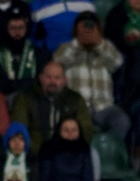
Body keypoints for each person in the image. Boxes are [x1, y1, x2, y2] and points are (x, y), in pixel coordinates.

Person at [54, 11, 129, 140]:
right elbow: (57, 63)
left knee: (122, 121)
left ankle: (107, 154)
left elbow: (117, 62)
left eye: (91, 26)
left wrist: (99, 43)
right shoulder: (66, 47)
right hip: (77, 106)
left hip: (104, 106)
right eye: (83, 26)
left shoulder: (106, 46)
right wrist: (77, 43)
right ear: (76, 28)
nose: (87, 29)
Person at [10, 60, 93, 152]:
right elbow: (19, 129)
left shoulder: (76, 99)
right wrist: (42, 152)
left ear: (65, 80)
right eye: (48, 77)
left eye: (57, 78)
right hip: (34, 155)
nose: (52, 82)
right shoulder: (25, 98)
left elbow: (86, 131)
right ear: (41, 78)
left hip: (68, 155)